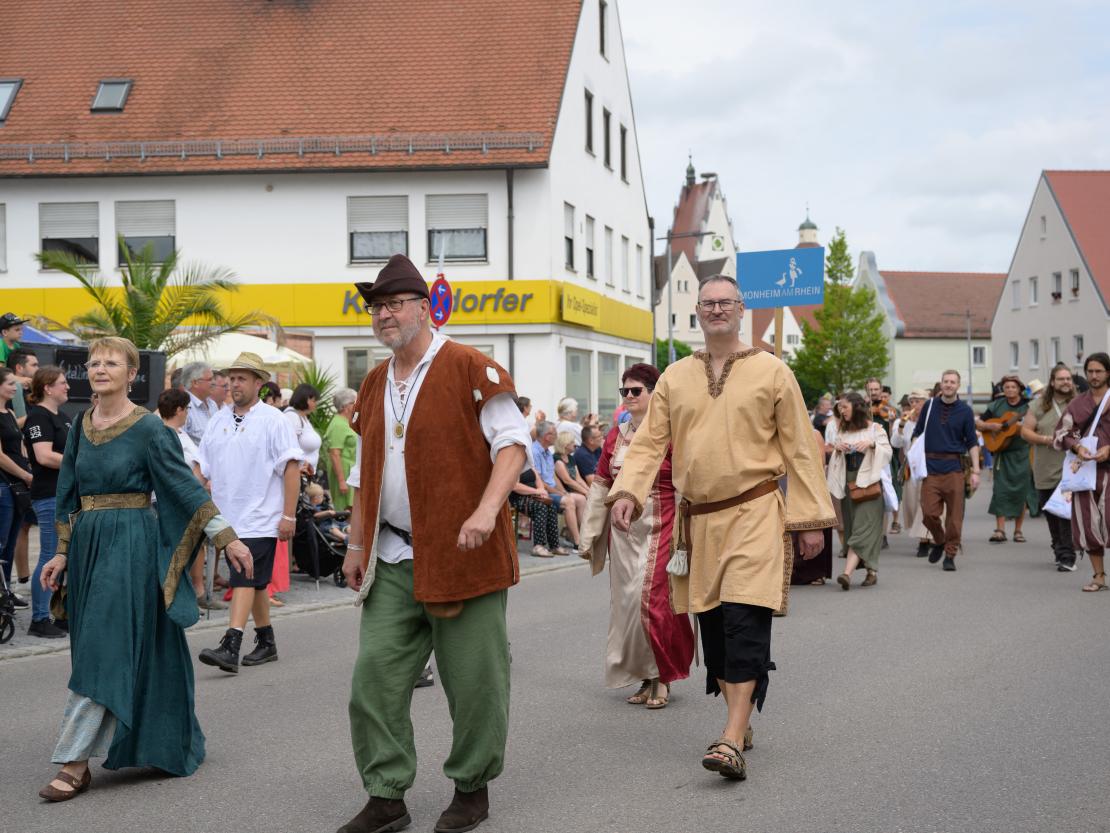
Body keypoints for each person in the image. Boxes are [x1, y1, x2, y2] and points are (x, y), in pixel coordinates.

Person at [607, 275, 834, 783]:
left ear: (740, 308)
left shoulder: (772, 370)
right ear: (697, 310)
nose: (715, 310)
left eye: (724, 302)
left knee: (743, 618)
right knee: (715, 629)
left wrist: (810, 518)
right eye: (707, 303)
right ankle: (741, 717)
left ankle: (731, 738)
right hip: (699, 523)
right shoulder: (674, 377)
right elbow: (648, 444)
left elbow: (800, 446)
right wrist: (627, 491)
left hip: (755, 513)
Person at [338, 253, 530, 833]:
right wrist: (354, 544)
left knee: (474, 682)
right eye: (376, 307)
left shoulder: (471, 367)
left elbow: (513, 445)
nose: (383, 316)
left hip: (464, 557)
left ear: (425, 307)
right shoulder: (374, 382)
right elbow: (364, 469)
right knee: (374, 678)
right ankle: (386, 793)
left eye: (395, 304)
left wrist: (486, 510)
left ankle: (471, 787)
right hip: (392, 555)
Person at [36, 336, 253, 801]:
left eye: (112, 362)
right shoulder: (79, 426)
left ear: (131, 374)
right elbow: (67, 494)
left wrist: (225, 535)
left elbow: (183, 487)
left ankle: (74, 761)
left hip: (132, 546)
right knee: (101, 645)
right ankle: (160, 736)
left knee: (104, 648)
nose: (100, 368)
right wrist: (59, 552)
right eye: (94, 362)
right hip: (89, 548)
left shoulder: (151, 429)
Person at [579, 362, 695, 710]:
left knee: (655, 603)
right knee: (629, 607)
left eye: (636, 391)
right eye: (624, 391)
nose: (628, 396)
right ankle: (645, 675)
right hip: (624, 533)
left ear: (653, 394)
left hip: (661, 525)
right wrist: (590, 534)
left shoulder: (671, 433)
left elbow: (686, 481)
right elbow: (601, 482)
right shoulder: (617, 434)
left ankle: (663, 676)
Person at [197, 352, 302, 673]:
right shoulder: (218, 420)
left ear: (259, 382)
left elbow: (291, 467)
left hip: (262, 518)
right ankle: (266, 641)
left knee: (243, 575)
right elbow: (202, 469)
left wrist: (288, 516)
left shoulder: (274, 419)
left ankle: (232, 643)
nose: (234, 384)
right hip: (227, 519)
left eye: (242, 378)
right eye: (231, 378)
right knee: (253, 581)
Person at [157, 388, 226, 611]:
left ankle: (193, 594)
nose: (188, 413)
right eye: (186, 408)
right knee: (174, 553)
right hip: (170, 502)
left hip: (188, 499)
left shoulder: (181, 432)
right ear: (178, 409)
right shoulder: (162, 433)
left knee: (192, 549)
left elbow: (199, 464)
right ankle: (173, 599)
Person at [913, 370, 982, 571]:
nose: (949, 385)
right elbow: (918, 433)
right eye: (946, 381)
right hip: (931, 468)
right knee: (928, 514)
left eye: (953, 382)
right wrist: (913, 455)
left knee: (954, 517)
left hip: (954, 468)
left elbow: (972, 441)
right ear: (941, 384)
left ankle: (950, 554)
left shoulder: (965, 411)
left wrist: (976, 471)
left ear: (958, 386)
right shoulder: (930, 405)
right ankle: (940, 540)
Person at [1053, 353, 1110, 592]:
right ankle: (1098, 576)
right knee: (1088, 524)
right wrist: (1077, 446)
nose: (1094, 376)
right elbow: (1061, 434)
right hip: (1084, 473)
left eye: (1099, 371)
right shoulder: (1077, 404)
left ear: (1108, 372)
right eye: (1090, 371)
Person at [23, 366, 71, 637]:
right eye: (62, 383)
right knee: (50, 554)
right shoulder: (38, 417)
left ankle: (60, 613)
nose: (67, 387)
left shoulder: (62, 417)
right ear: (47, 387)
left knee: (66, 556)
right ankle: (39, 618)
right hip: (49, 494)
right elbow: (43, 456)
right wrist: (78, 464)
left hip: (64, 494)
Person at [827, 392, 892, 589]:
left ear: (856, 406)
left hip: (868, 485)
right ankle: (871, 570)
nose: (842, 411)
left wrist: (872, 445)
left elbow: (887, 453)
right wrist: (838, 449)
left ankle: (846, 573)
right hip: (849, 483)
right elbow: (835, 460)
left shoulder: (875, 429)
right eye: (840, 408)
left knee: (864, 528)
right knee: (854, 527)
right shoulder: (843, 432)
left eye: (845, 407)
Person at [1021, 365, 1077, 571]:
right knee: (1051, 513)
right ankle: (1059, 548)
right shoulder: (1038, 406)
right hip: (1044, 467)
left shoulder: (1079, 404)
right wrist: (1047, 439)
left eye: (1068, 379)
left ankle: (1067, 555)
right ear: (1052, 382)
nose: (1066, 382)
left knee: (1065, 513)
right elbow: (1025, 432)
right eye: (1061, 379)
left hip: (1071, 469)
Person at [977, 375, 1038, 543]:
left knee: (1021, 491)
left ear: (1019, 389)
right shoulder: (996, 405)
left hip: (1022, 453)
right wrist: (992, 426)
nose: (1010, 390)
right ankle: (1000, 530)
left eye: (1013, 387)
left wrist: (1022, 428)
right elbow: (979, 423)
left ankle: (1018, 531)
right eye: (1007, 387)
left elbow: (1036, 426)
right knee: (1000, 491)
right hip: (1002, 454)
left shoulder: (1028, 406)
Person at [891, 389, 939, 558]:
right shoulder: (901, 422)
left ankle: (925, 540)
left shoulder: (931, 419)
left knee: (926, 503)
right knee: (911, 505)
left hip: (929, 466)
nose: (915, 405)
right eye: (912, 401)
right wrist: (902, 426)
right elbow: (895, 444)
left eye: (919, 401)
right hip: (910, 469)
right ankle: (926, 536)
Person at [0, 366, 31, 608]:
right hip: (4, 484)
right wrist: (25, 475)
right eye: (10, 383)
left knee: (10, 542)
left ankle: (6, 591)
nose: (15, 387)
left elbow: (19, 447)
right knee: (1, 542)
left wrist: (27, 471)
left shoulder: (9, 412)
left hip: (17, 485)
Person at [532, 420, 585, 554]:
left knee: (581, 499)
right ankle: (577, 543)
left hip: (551, 490)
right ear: (547, 436)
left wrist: (562, 491)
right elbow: (538, 480)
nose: (557, 436)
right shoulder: (535, 451)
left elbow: (553, 477)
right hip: (539, 491)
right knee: (569, 501)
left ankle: (583, 538)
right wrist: (559, 493)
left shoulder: (547, 452)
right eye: (554, 433)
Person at [509, 466, 562, 558]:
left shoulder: (529, 464)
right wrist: (536, 491)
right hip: (518, 498)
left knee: (552, 507)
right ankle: (538, 546)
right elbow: (515, 486)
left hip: (534, 497)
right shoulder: (516, 464)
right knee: (541, 507)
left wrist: (542, 492)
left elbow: (538, 481)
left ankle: (554, 546)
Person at [324, 387, 359, 513]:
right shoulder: (338, 424)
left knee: (353, 508)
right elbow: (334, 454)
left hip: (351, 470)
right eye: (355, 402)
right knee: (346, 510)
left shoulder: (347, 422)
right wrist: (341, 481)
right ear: (346, 406)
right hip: (343, 472)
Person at [284, 383, 322, 475]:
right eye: (313, 400)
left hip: (307, 474)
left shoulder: (303, 417)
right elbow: (289, 448)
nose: (315, 404)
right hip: (299, 474)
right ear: (305, 399)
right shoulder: (292, 417)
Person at [181, 362, 219, 445]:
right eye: (210, 379)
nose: (214, 383)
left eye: (213, 379)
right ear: (195, 383)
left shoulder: (212, 404)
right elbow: (181, 444)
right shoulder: (183, 406)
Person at [553, 431, 590, 501]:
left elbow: (578, 479)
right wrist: (585, 492)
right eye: (572, 442)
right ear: (565, 444)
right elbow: (567, 481)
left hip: (574, 489)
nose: (575, 444)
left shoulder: (570, 457)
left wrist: (589, 490)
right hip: (565, 491)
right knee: (584, 498)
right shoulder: (557, 459)